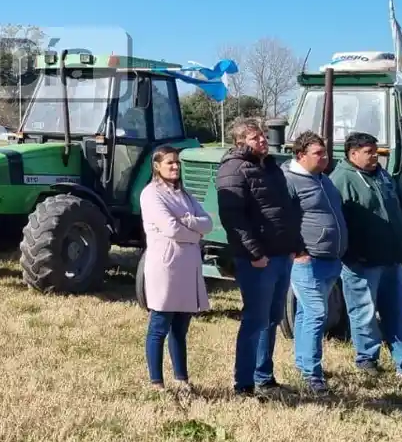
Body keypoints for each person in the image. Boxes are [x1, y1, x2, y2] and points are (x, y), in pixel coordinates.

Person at [330, 132, 402, 382]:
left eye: (375, 151)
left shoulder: (382, 176)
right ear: (353, 154)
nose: (375, 156)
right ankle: (367, 359)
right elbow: (336, 221)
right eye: (369, 152)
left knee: (398, 312)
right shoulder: (341, 180)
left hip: (392, 259)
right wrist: (353, 252)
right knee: (364, 313)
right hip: (362, 262)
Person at [216, 118, 301, 397]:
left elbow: (284, 209)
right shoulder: (233, 169)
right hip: (258, 259)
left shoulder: (271, 167)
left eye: (263, 135)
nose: (263, 140)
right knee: (255, 319)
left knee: (273, 318)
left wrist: (292, 244)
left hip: (280, 255)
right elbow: (233, 218)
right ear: (240, 142)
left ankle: (264, 375)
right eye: (255, 138)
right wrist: (255, 253)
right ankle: (244, 383)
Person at [139, 145, 213, 392]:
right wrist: (194, 235)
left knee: (180, 328)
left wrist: (190, 221)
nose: (175, 167)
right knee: (159, 325)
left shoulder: (185, 195)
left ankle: (182, 379)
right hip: (166, 266)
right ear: (157, 166)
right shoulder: (151, 194)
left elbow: (208, 222)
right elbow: (170, 227)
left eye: (177, 163)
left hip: (188, 267)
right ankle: (156, 382)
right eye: (169, 162)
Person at [282, 131, 346, 395]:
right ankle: (312, 374)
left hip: (330, 259)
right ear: (301, 156)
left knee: (306, 314)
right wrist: (296, 251)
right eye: (318, 153)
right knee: (317, 313)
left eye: (325, 152)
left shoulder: (323, 180)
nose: (325, 158)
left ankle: (302, 362)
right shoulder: (290, 181)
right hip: (306, 260)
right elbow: (282, 219)